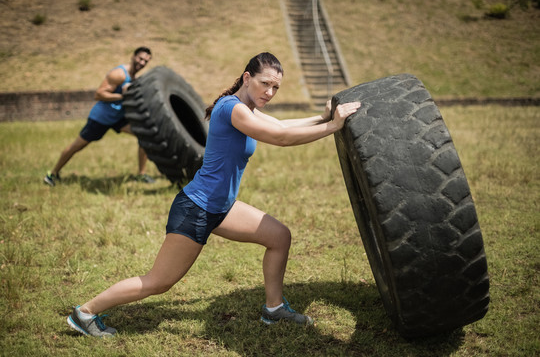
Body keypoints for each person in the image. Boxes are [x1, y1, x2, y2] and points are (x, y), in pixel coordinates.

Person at [66, 52, 361, 337]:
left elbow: (283, 125)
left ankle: (273, 309)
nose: (270, 92)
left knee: (279, 237)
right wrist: (333, 126)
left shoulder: (248, 109)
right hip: (197, 208)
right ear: (247, 78)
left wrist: (322, 117)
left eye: (276, 87)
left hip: (222, 208)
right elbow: (281, 138)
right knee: (158, 282)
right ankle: (86, 312)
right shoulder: (232, 109)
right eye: (265, 83)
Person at [43, 46, 155, 186]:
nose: (142, 63)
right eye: (140, 58)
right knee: (77, 146)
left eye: (146, 61)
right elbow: (99, 94)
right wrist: (122, 95)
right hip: (101, 119)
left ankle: (141, 174)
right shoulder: (119, 74)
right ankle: (52, 175)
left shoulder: (134, 78)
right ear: (133, 56)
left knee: (144, 134)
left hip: (118, 118)